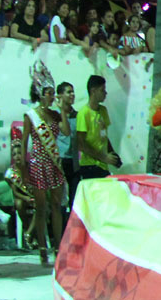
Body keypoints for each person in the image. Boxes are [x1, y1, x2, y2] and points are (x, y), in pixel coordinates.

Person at [21, 65, 67, 265]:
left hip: (54, 164)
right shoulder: (31, 115)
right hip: (38, 164)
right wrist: (23, 169)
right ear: (40, 94)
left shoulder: (56, 115)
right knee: (41, 208)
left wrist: (63, 110)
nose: (51, 96)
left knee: (57, 206)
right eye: (48, 93)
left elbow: (66, 132)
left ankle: (58, 246)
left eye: (52, 93)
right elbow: (23, 143)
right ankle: (42, 248)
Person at [76, 75, 121, 181]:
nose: (105, 93)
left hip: (103, 165)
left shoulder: (103, 111)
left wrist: (113, 155)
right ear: (93, 91)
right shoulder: (83, 113)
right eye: (102, 90)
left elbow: (104, 137)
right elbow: (81, 144)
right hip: (89, 165)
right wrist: (104, 157)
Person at [55, 82, 80, 214]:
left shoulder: (78, 115)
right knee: (60, 202)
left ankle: (73, 232)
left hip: (74, 163)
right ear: (60, 95)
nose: (72, 94)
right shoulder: (55, 116)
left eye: (73, 91)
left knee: (74, 200)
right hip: (60, 161)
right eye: (69, 92)